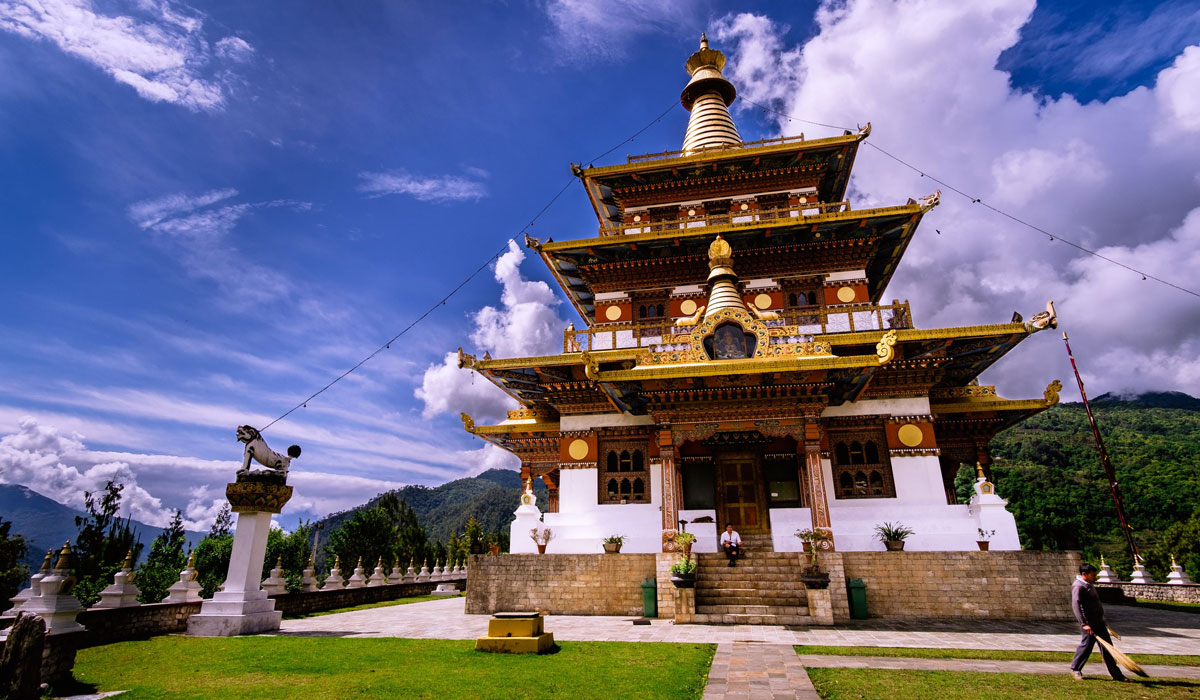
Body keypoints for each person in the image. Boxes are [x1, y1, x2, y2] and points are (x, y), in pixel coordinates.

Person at [1070, 563, 1128, 682]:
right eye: (1093, 575)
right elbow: (1076, 605)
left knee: (1108, 648)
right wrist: (1084, 624)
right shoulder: (1078, 586)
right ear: (1084, 574)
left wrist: (1102, 620)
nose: (1094, 577)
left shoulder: (1089, 585)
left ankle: (1116, 674)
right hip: (1089, 624)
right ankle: (1076, 668)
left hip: (1099, 623)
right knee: (1086, 647)